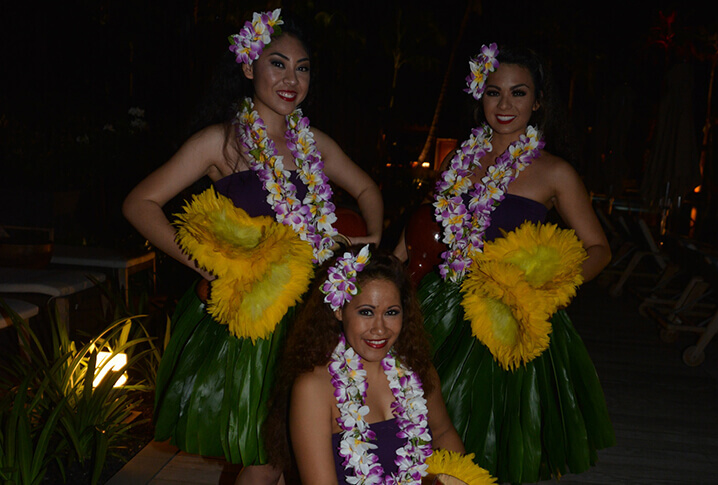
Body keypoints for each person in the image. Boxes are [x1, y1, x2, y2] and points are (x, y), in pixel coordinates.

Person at [122, 9, 383, 484]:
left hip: (314, 315)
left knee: (303, 452)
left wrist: (372, 239)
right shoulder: (221, 143)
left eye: (302, 68)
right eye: (277, 64)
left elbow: (367, 190)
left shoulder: (314, 143)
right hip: (252, 324)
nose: (291, 79)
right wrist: (204, 265)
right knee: (268, 456)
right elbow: (140, 203)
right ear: (248, 68)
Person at [394, 44, 615, 483]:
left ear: (538, 102)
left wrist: (546, 292)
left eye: (519, 93)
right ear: (480, 96)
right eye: (494, 92)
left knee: (494, 441)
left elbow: (599, 249)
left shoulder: (555, 172)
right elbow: (427, 221)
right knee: (428, 432)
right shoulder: (459, 160)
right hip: (445, 308)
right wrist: (388, 268)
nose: (506, 104)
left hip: (514, 318)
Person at [264, 245, 487, 484]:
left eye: (391, 312)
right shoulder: (314, 388)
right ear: (339, 309)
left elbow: (443, 433)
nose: (380, 328)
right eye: (366, 312)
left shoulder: (417, 369)